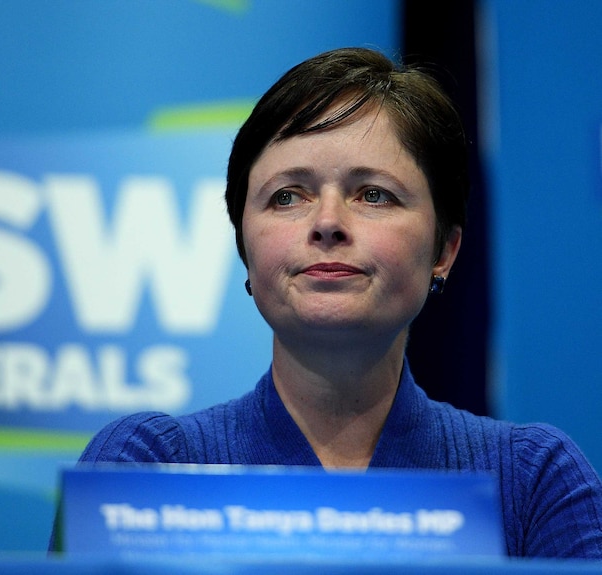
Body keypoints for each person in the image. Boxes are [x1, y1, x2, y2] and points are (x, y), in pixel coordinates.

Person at [57, 47, 602, 558]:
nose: (327, 224)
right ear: (245, 248)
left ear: (445, 249)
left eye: (373, 194)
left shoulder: (532, 480)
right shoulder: (146, 466)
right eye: (287, 195)